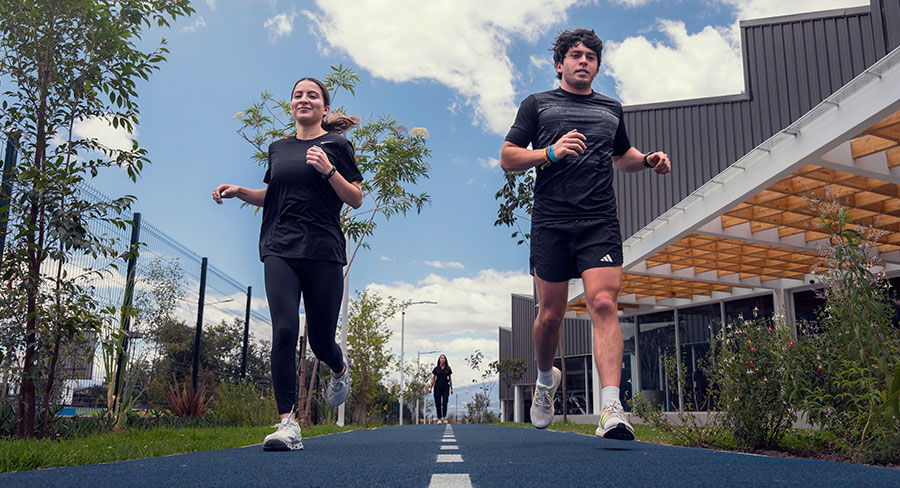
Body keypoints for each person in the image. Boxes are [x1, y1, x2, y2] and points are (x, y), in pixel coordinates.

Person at [499, 28, 671, 440]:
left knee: (604, 303)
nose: (583, 61)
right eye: (575, 55)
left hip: (599, 221)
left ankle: (611, 407)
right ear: (560, 64)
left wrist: (646, 159)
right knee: (551, 315)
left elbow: (621, 156)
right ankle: (545, 379)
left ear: (597, 65)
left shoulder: (611, 108)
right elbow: (507, 157)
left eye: (590, 56)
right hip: (551, 222)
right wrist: (549, 152)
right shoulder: (538, 105)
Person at [212, 77, 363, 451]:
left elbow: (356, 198)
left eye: (312, 95)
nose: (304, 99)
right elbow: (273, 194)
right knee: (283, 330)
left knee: (323, 342)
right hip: (279, 246)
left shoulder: (337, 145)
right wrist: (239, 191)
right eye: (298, 95)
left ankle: (339, 367)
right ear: (291, 106)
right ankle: (287, 424)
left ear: (325, 109)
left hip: (324, 250)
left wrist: (329, 169)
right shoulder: (277, 148)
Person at [428, 354, 453, 424]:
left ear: (445, 360)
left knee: (445, 402)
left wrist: (451, 388)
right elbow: (433, 378)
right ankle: (439, 418)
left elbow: (450, 379)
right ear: (439, 360)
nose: (442, 359)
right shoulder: (436, 369)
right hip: (437, 387)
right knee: (438, 403)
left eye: (444, 358)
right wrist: (430, 388)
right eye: (441, 358)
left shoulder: (448, 369)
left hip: (445, 387)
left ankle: (444, 417)